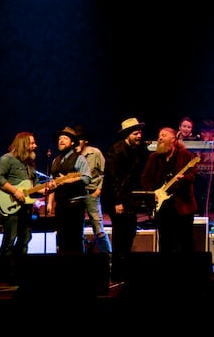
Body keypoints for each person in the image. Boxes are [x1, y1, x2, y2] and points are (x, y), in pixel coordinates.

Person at [103, 117, 148, 282]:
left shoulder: (135, 150)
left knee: (129, 233)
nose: (139, 136)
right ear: (127, 134)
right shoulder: (116, 150)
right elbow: (112, 177)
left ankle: (124, 272)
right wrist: (117, 202)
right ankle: (117, 273)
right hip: (117, 200)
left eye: (140, 133)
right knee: (121, 237)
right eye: (136, 133)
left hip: (129, 199)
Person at [0, 131, 41, 284]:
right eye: (32, 143)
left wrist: (49, 188)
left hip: (25, 208)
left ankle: (19, 275)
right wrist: (14, 191)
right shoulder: (8, 159)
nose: (35, 146)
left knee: (25, 239)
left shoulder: (29, 164)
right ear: (23, 144)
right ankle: (2, 277)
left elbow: (36, 186)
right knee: (9, 240)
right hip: (11, 205)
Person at [142, 127, 199, 254]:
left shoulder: (186, 156)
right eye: (159, 136)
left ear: (173, 139)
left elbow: (194, 175)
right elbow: (146, 180)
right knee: (165, 244)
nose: (160, 138)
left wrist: (183, 179)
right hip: (162, 207)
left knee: (184, 244)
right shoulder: (154, 158)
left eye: (163, 135)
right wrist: (153, 194)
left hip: (182, 206)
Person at [48, 126, 92, 254]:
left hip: (75, 205)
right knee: (62, 240)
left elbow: (87, 178)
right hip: (61, 206)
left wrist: (69, 180)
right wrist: (50, 202)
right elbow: (52, 182)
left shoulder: (79, 158)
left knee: (75, 240)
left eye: (65, 138)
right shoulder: (56, 161)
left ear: (72, 142)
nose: (61, 140)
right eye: (60, 138)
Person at [74, 125, 112, 255]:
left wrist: (99, 190)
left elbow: (105, 173)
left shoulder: (95, 153)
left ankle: (108, 257)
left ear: (85, 140)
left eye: (79, 139)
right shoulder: (72, 154)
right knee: (77, 229)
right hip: (77, 195)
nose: (77, 141)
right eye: (75, 139)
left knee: (98, 228)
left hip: (92, 193)